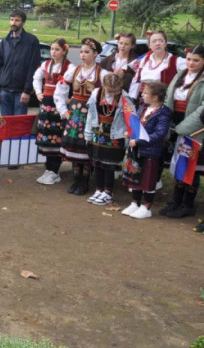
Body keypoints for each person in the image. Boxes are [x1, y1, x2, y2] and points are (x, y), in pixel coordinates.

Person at [54, 38, 108, 196]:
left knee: (86, 147)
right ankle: (76, 179)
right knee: (74, 147)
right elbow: (60, 90)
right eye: (82, 52)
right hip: (75, 114)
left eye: (87, 52)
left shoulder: (102, 73)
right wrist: (63, 109)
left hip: (90, 115)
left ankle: (85, 181)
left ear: (96, 54)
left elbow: (110, 93)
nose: (83, 55)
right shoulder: (74, 71)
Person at [162, 45, 204, 218]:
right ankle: (176, 200)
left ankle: (187, 204)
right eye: (188, 59)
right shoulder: (181, 74)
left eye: (196, 60)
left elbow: (202, 110)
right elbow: (168, 98)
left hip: (195, 128)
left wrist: (182, 129)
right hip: (175, 124)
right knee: (179, 164)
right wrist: (166, 121)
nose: (191, 63)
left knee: (191, 167)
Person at [121, 81, 171, 219]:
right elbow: (135, 123)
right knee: (135, 177)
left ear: (155, 97)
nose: (142, 95)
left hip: (150, 152)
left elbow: (159, 134)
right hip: (136, 150)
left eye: (146, 93)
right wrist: (129, 133)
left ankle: (147, 206)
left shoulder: (164, 112)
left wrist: (138, 141)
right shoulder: (143, 107)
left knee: (148, 179)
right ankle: (134, 203)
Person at [84, 73, 131, 206]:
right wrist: (88, 133)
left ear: (119, 86)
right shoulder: (96, 94)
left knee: (109, 165)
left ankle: (108, 193)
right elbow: (90, 115)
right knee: (97, 163)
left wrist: (127, 138)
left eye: (114, 90)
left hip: (115, 135)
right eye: (108, 90)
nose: (111, 93)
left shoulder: (125, 98)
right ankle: (99, 190)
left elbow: (129, 119)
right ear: (103, 85)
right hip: (98, 132)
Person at [31, 38, 71, 185]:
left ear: (64, 51)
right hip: (47, 105)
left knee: (56, 138)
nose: (53, 52)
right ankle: (49, 169)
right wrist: (38, 92)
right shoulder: (46, 65)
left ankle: (55, 170)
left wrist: (69, 99)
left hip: (58, 107)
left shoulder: (69, 67)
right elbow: (36, 78)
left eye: (57, 49)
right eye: (52, 49)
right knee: (47, 138)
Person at [0, 9, 41, 116]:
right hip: (4, 90)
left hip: (21, 92)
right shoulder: (4, 42)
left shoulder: (31, 41)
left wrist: (27, 90)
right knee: (5, 125)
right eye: (11, 20)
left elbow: (34, 67)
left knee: (18, 126)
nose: (13, 23)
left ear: (23, 22)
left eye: (17, 20)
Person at [129, 30, 186, 101]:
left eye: (161, 41)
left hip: (162, 101)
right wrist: (132, 98)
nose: (158, 43)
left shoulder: (176, 61)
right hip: (144, 100)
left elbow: (193, 74)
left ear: (165, 43)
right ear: (149, 45)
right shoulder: (145, 60)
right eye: (154, 41)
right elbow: (136, 80)